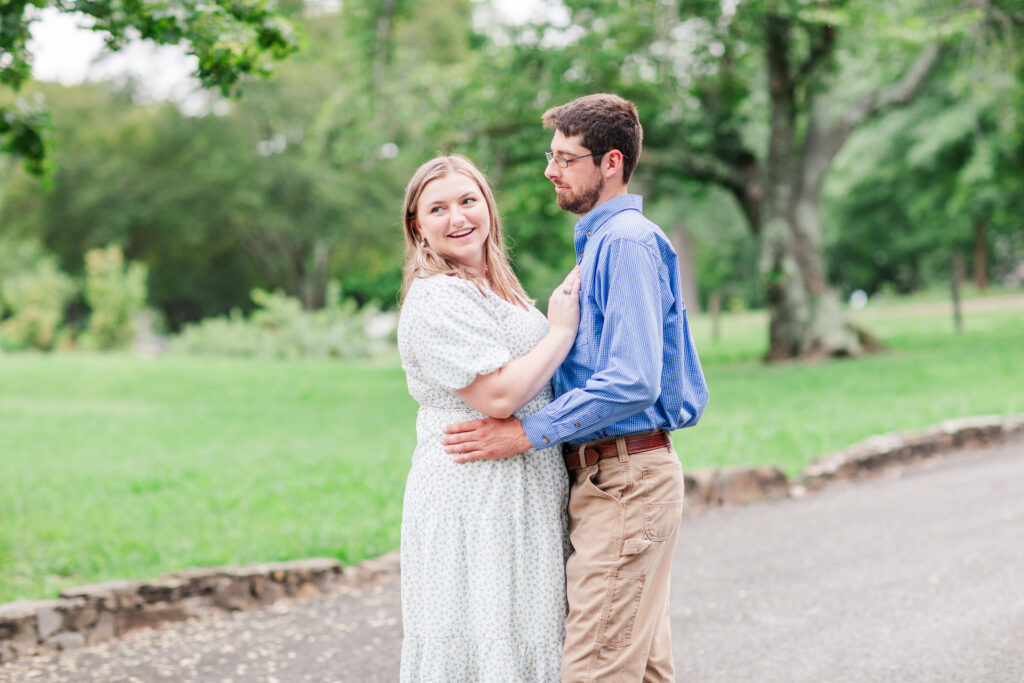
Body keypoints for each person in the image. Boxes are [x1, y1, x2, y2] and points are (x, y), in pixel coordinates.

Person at [442, 94, 709, 681]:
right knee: (641, 670)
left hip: (625, 482)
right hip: (610, 478)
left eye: (566, 158)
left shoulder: (627, 243)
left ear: (610, 162)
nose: (550, 170)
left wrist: (526, 433)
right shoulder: (602, 242)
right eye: (551, 155)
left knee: (594, 669)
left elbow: (632, 381)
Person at [396, 154, 581, 681]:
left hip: (522, 490)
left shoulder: (495, 287)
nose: (457, 218)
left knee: (526, 635)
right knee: (489, 639)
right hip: (474, 496)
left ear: (488, 208)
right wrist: (561, 332)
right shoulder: (437, 297)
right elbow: (498, 397)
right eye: (438, 208)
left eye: (467, 201)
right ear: (418, 225)